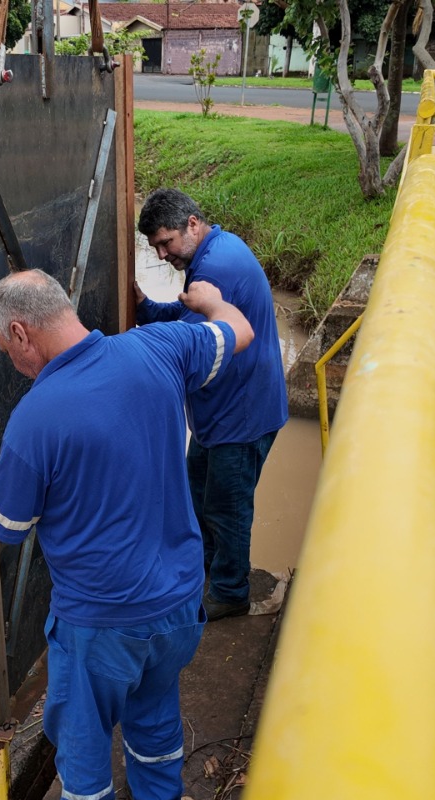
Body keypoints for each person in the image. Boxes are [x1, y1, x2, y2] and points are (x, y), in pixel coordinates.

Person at [0, 269, 254, 800]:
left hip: (102, 623)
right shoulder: (160, 348)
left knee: (81, 736)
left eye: (8, 351)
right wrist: (213, 299)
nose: (13, 362)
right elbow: (238, 330)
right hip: (179, 602)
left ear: (21, 333)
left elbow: (6, 525)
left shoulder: (38, 417)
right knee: (155, 705)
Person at [135, 188, 288, 619]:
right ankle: (205, 569)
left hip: (240, 417)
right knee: (198, 492)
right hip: (220, 415)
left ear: (192, 224)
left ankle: (229, 593)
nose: (163, 254)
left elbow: (186, 344)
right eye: (156, 247)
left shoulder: (216, 267)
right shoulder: (212, 251)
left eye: (167, 242)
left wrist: (127, 356)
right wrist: (147, 308)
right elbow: (190, 319)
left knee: (227, 508)